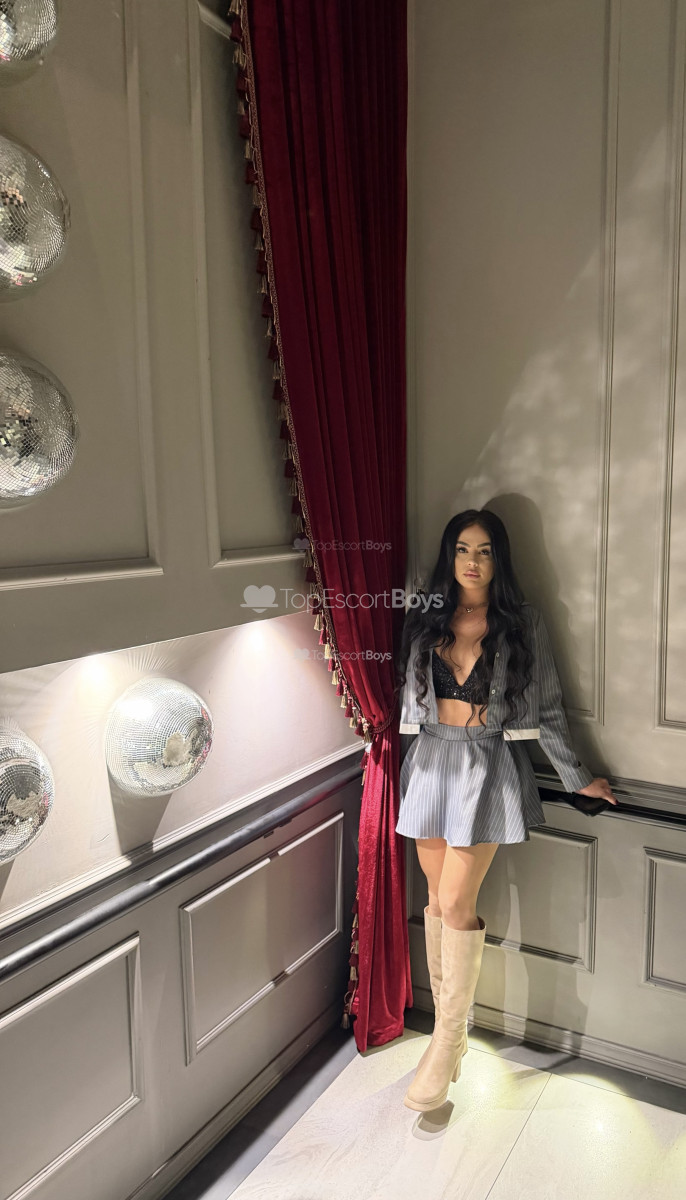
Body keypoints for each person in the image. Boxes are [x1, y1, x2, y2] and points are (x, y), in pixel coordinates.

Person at [393, 508, 617, 1113]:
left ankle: (446, 1040)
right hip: (430, 762)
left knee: (457, 903)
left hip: (486, 766)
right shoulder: (424, 617)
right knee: (435, 900)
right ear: (450, 555)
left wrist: (578, 779)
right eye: (463, 549)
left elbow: (547, 709)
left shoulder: (522, 622)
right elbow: (407, 697)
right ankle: (449, 1040)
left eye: (485, 550)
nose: (473, 561)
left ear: (500, 558)